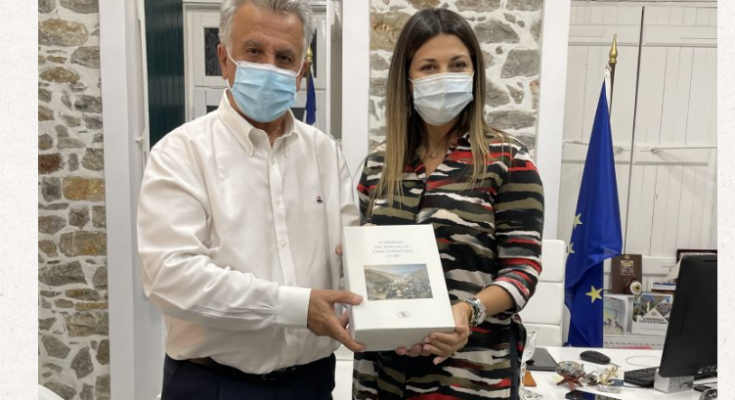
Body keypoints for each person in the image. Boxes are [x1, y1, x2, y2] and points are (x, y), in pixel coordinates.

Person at [136, 1, 364, 399]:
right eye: (254, 51)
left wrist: (372, 264)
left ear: (300, 73)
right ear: (224, 60)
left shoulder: (325, 154)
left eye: (285, 58)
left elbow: (349, 257)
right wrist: (294, 307)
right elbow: (171, 278)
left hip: (310, 384)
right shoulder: (180, 153)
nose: (269, 67)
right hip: (213, 385)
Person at [353, 8, 544, 400]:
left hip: (471, 377)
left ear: (474, 73)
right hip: (382, 377)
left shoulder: (508, 160)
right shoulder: (378, 165)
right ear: (407, 81)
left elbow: (522, 270)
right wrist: (355, 257)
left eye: (457, 65)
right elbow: (359, 263)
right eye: (428, 67)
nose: (444, 76)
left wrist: (468, 310)